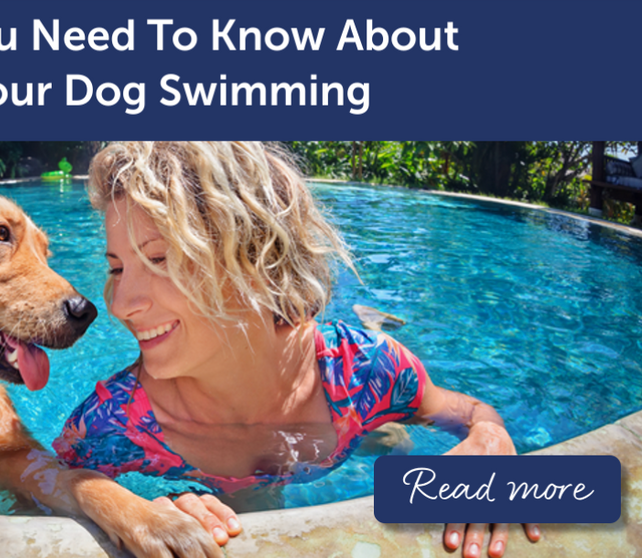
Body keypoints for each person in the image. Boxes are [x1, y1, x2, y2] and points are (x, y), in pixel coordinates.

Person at [53, 142, 541, 558]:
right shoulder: (109, 427)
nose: (120, 303)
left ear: (257, 257)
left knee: (394, 439)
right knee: (253, 505)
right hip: (233, 469)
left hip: (339, 417)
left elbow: (470, 413)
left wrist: (491, 438)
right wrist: (139, 508)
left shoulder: (367, 370)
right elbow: (40, 492)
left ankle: (378, 427)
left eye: (159, 258)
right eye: (117, 268)